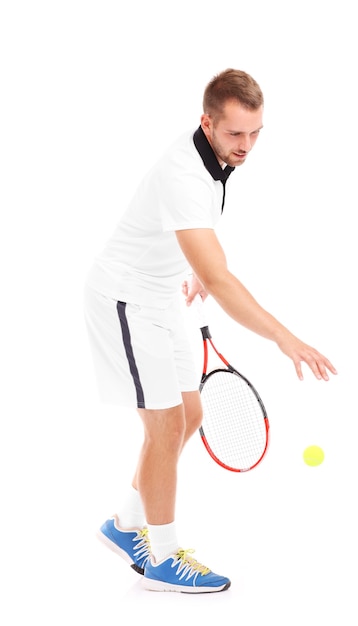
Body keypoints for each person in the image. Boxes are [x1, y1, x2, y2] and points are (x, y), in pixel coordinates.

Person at [84, 68, 337, 594]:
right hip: (126, 301)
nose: (246, 146)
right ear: (207, 122)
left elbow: (192, 234)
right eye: (235, 134)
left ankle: (126, 525)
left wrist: (196, 267)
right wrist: (286, 338)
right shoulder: (185, 174)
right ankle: (163, 558)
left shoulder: (215, 157)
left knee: (189, 414)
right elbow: (221, 279)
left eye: (255, 133)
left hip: (158, 295)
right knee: (164, 427)